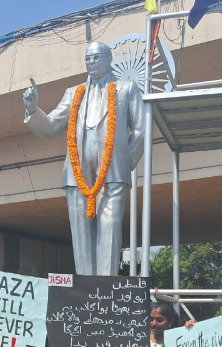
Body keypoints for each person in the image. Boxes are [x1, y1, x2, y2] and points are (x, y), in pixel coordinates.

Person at [22, 41, 144, 276]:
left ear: (109, 60)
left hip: (112, 171)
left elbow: (140, 130)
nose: (91, 63)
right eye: (88, 59)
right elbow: (51, 125)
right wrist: (32, 108)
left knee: (109, 229)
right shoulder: (74, 93)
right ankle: (86, 293)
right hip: (77, 172)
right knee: (80, 233)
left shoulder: (126, 89)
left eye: (96, 58)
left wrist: (125, 161)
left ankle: (105, 292)